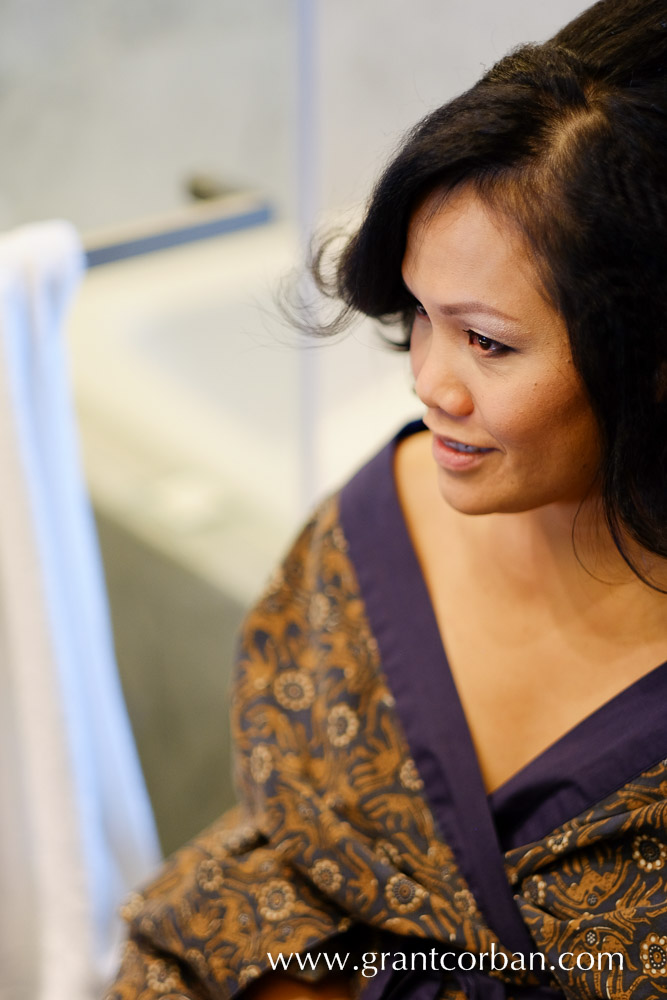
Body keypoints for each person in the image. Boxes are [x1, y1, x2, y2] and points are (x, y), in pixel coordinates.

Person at [105, 1, 667, 997]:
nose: (428, 384)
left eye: (488, 341)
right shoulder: (377, 532)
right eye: (419, 313)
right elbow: (283, 857)